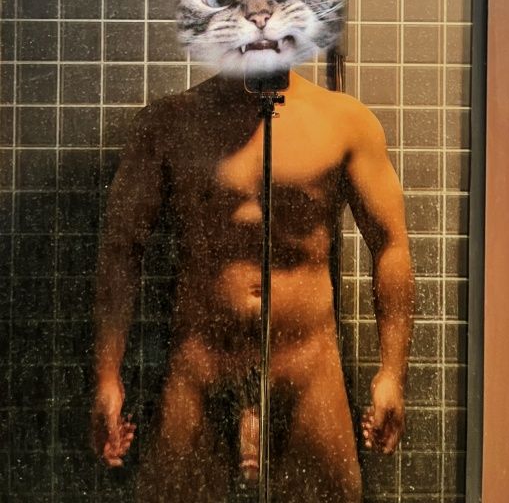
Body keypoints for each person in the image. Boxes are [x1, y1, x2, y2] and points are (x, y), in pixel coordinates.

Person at [91, 68, 415, 502]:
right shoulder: (170, 122)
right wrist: (107, 376)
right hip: (201, 362)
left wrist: (392, 374)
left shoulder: (345, 122)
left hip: (305, 364)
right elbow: (121, 247)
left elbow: (390, 244)